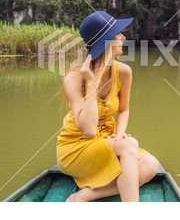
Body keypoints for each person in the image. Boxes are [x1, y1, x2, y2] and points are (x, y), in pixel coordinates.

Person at [57, 11, 159, 202]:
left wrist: (119, 134)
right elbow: (87, 130)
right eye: (117, 34)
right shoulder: (74, 78)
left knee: (150, 165)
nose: (123, 37)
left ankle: (84, 196)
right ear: (104, 42)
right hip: (76, 148)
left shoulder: (124, 72)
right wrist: (90, 80)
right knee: (130, 145)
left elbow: (123, 110)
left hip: (107, 139)